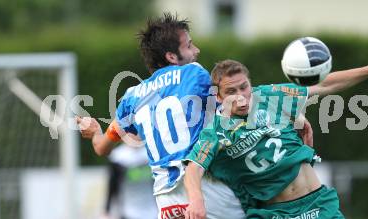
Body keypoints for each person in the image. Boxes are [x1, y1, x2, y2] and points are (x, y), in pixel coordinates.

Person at [184, 54, 368, 219]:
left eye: (244, 87)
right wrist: (196, 200)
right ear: (219, 97)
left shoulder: (270, 96)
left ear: (250, 84)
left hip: (319, 203)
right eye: (231, 92)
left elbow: (322, 84)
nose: (241, 97)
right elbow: (194, 167)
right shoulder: (216, 130)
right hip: (277, 213)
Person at [77, 13, 247, 219]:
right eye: (189, 46)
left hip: (167, 204)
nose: (196, 51)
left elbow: (101, 147)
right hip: (207, 192)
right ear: (171, 56)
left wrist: (95, 131)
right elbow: (235, 103)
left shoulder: (132, 98)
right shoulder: (194, 73)